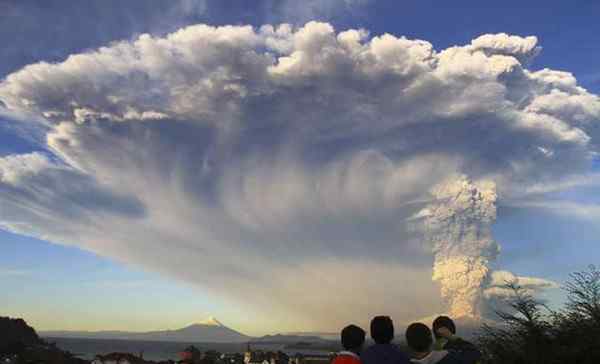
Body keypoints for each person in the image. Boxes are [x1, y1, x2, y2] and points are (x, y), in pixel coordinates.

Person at [405, 323, 481, 364]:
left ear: (409, 345)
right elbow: (475, 353)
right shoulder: (450, 358)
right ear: (431, 340)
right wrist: (452, 337)